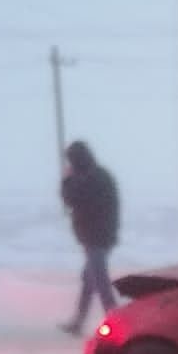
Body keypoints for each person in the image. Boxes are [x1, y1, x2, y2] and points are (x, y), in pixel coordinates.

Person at [59, 140, 121, 336]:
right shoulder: (99, 175)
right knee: (89, 279)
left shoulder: (90, 178)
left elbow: (71, 198)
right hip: (101, 235)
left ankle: (118, 323)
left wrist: (67, 179)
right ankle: (78, 321)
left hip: (96, 237)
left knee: (99, 280)